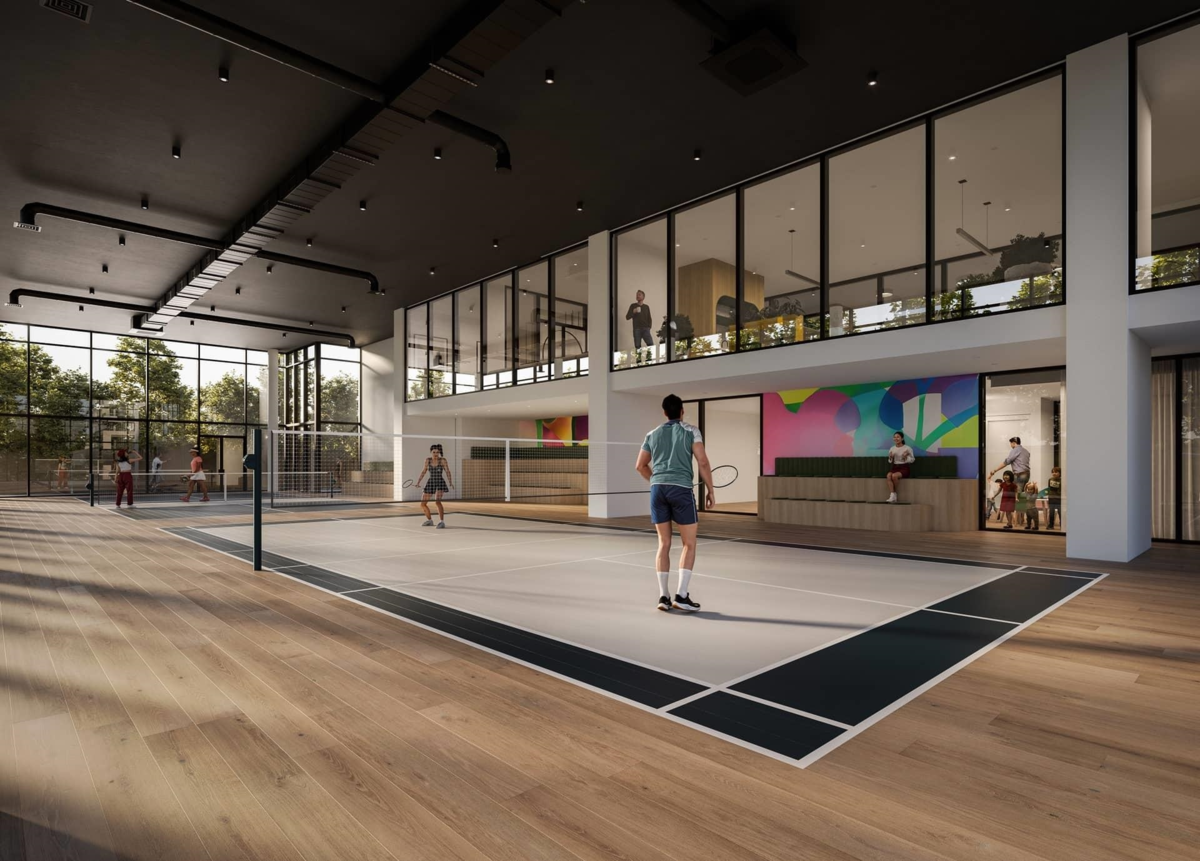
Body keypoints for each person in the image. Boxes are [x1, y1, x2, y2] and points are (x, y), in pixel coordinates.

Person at [635, 393, 714, 612]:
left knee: (664, 544)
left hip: (657, 490)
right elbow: (703, 461)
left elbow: (640, 465)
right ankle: (682, 595)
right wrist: (710, 489)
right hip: (681, 490)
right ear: (682, 411)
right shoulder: (691, 431)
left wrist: (657, 480)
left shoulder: (652, 434)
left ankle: (663, 597)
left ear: (664, 412)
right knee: (689, 544)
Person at [417, 444, 453, 528]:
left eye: (437, 452)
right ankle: (429, 520)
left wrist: (450, 482)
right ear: (431, 452)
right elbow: (424, 471)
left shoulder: (442, 460)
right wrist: (418, 482)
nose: (436, 454)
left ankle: (441, 522)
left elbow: (448, 471)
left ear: (439, 452)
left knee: (437, 502)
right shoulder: (427, 460)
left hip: (440, 482)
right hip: (431, 482)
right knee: (423, 504)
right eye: (434, 452)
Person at [885, 431, 915, 503]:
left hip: (904, 467)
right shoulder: (892, 448)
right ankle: (893, 494)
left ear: (902, 438)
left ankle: (894, 495)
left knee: (894, 476)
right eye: (894, 437)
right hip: (895, 467)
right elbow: (890, 461)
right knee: (889, 475)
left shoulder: (907, 448)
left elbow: (912, 460)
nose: (896, 438)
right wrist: (891, 457)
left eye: (898, 437)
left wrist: (905, 457)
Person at [625, 290, 655, 361]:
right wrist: (633, 312)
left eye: (639, 295)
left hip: (645, 329)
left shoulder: (646, 307)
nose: (637, 296)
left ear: (643, 297)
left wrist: (649, 327)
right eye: (637, 295)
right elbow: (627, 317)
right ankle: (638, 362)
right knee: (637, 347)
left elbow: (649, 318)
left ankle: (649, 360)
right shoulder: (633, 306)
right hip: (637, 329)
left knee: (650, 345)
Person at [1045, 466, 1063, 530]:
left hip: (1059, 499)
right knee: (1051, 512)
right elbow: (1049, 489)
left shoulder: (1062, 480)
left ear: (1060, 473)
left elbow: (1062, 490)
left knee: (1060, 512)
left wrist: (1057, 490)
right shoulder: (1050, 479)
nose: (1054, 473)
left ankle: (1062, 525)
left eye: (1056, 472)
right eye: (1053, 472)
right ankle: (1051, 525)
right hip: (1051, 498)